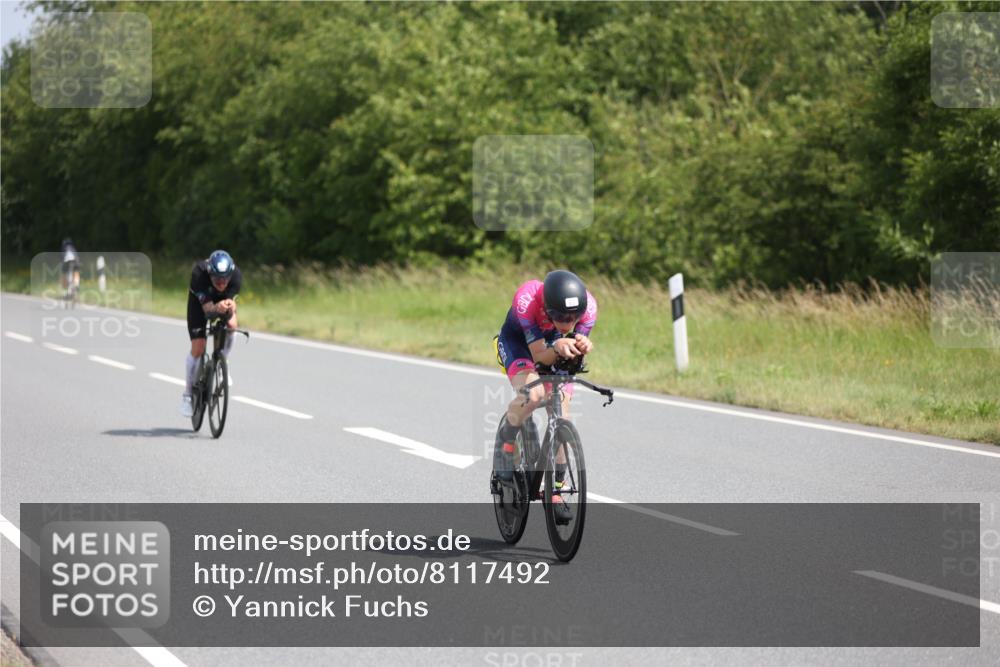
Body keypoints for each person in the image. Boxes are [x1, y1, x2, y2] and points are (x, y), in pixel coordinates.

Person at [492, 270, 597, 523]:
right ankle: (504, 447)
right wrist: (557, 345)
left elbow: (572, 354)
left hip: (554, 348)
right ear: (547, 308)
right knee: (535, 394)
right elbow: (539, 355)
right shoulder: (527, 299)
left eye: (574, 317)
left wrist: (580, 346)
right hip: (520, 345)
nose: (568, 322)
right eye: (560, 316)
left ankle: (556, 489)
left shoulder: (589, 309)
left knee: (563, 409)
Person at [181, 250, 242, 417]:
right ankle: (187, 395)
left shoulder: (236, 275)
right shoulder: (199, 274)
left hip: (220, 302)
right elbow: (208, 310)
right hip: (200, 305)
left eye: (225, 279)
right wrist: (217, 308)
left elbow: (232, 304)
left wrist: (229, 307)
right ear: (210, 273)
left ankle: (223, 364)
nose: (222, 283)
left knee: (231, 325)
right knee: (198, 347)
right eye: (217, 279)